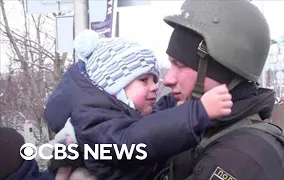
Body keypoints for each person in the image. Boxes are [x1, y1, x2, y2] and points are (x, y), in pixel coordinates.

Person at [44, 30, 233, 179]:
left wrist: (175, 101)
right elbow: (135, 140)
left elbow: (153, 120)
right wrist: (198, 112)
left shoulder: (122, 116)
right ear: (114, 86)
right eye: (144, 80)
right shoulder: (93, 120)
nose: (155, 87)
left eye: (154, 80)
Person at [150, 0, 284, 180]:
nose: (168, 79)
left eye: (180, 65)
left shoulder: (242, 155)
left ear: (221, 70)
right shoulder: (206, 130)